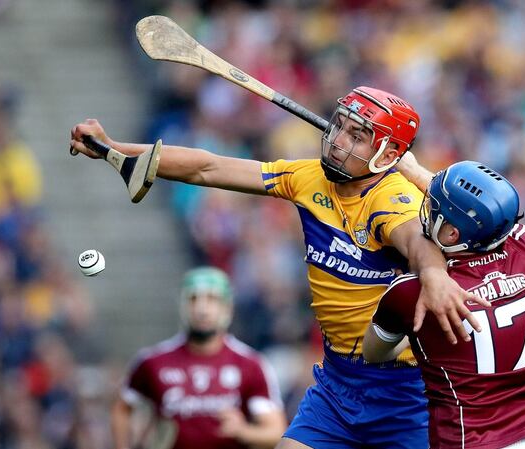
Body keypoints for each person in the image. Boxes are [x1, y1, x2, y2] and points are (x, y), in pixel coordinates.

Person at [72, 86, 488, 449]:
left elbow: (417, 240)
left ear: (389, 154)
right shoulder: (308, 179)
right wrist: (116, 148)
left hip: (404, 392)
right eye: (339, 125)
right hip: (337, 384)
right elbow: (209, 167)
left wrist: (433, 276)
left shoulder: (391, 198)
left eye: (358, 136)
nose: (339, 141)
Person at [363, 160, 525, 449]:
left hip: (471, 439)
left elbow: (373, 353)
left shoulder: (411, 292)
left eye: (435, 210)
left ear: (452, 235)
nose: (428, 213)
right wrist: (413, 169)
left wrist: (416, 334)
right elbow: (494, 216)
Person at [111, 267, 286, 449]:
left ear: (227, 307)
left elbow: (276, 432)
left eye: (212, 299)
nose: (202, 309)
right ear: (182, 305)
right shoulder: (152, 362)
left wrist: (243, 431)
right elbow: (122, 409)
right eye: (193, 299)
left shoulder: (251, 364)